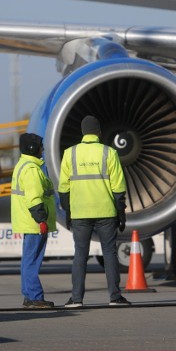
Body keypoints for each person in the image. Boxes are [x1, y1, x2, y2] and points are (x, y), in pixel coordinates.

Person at [58, 115, 130, 307]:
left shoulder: (70, 154)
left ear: (83, 132)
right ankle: (115, 297)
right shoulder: (109, 153)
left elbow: (63, 188)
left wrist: (67, 211)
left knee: (80, 254)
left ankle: (76, 298)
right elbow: (118, 186)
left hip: (80, 212)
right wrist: (121, 212)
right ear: (99, 132)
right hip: (106, 211)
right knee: (109, 253)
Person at [11, 133, 57, 309]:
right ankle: (35, 297)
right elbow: (34, 199)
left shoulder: (22, 165)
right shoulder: (32, 169)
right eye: (40, 146)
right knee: (32, 261)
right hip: (34, 223)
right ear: (33, 148)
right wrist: (42, 220)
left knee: (28, 260)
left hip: (28, 222)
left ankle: (29, 296)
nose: (43, 149)